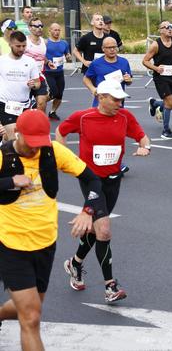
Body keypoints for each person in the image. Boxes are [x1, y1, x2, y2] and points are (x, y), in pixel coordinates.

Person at [0, 109, 106, 350]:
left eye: (41, 142)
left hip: (46, 242)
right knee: (32, 318)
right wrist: (10, 181)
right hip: (10, 243)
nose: (36, 148)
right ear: (17, 132)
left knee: (26, 308)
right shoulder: (3, 156)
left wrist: (87, 210)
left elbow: (92, 179)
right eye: (32, 142)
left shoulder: (52, 152)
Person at [56, 80, 151, 304]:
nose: (120, 102)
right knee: (105, 230)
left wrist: (145, 146)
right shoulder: (83, 117)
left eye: (122, 99)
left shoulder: (125, 117)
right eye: (115, 99)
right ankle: (110, 286)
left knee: (96, 228)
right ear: (101, 97)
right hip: (90, 179)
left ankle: (75, 263)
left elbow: (142, 136)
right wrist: (67, 160)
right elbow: (60, 132)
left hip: (113, 180)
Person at [0, 31, 41, 142]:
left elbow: (38, 83)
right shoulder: (2, 61)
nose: (21, 49)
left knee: (22, 139)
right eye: (18, 46)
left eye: (24, 46)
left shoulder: (30, 62)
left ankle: (3, 141)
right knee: (15, 138)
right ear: (10, 44)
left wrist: (33, 85)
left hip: (24, 106)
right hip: (5, 105)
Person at [143, 21, 172, 140]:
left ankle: (154, 104)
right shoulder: (156, 45)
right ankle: (166, 131)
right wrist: (156, 68)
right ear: (161, 30)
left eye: (171, 26)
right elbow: (145, 61)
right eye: (167, 27)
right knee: (169, 103)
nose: (170, 29)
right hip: (161, 78)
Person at [83, 37, 132, 107]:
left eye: (114, 47)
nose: (112, 50)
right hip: (101, 102)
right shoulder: (96, 63)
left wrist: (129, 80)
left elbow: (129, 81)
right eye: (109, 47)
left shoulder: (124, 62)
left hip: (118, 102)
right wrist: (93, 89)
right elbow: (86, 79)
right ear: (103, 48)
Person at [44, 23, 70, 121]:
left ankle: (52, 112)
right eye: (54, 30)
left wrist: (68, 57)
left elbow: (67, 54)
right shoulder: (46, 43)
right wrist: (47, 61)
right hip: (48, 71)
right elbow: (41, 55)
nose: (57, 32)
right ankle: (39, 103)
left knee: (59, 94)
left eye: (58, 30)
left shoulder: (64, 43)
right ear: (49, 31)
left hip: (59, 72)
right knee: (54, 92)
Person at [24, 18, 50, 112]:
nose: (39, 28)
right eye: (36, 26)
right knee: (23, 105)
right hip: (26, 77)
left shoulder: (45, 42)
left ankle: (41, 124)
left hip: (40, 76)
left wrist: (48, 62)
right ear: (30, 28)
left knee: (42, 102)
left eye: (41, 26)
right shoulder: (25, 42)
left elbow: (42, 57)